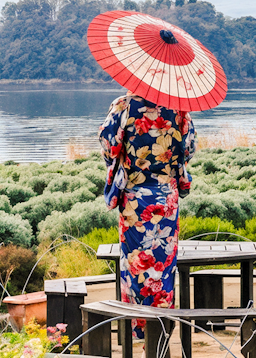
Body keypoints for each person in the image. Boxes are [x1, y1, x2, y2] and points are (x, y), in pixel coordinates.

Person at [99, 91, 197, 338]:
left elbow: (108, 145)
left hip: (135, 199)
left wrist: (126, 158)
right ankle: (161, 330)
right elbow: (189, 148)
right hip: (166, 198)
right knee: (163, 267)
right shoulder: (179, 106)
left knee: (135, 264)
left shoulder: (123, 105)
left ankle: (138, 330)